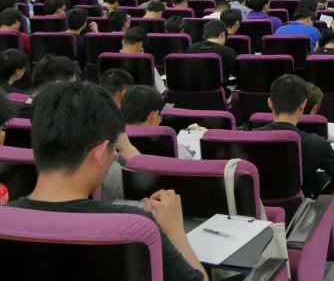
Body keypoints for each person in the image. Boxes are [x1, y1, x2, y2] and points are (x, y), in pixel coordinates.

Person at [8, 81, 206, 280]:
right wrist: (174, 231)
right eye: (115, 149)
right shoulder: (135, 228)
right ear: (100, 152)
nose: (114, 156)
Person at [255, 75, 334, 198]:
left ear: (270, 103)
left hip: (257, 208)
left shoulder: (249, 137)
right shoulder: (316, 144)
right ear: (303, 105)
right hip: (300, 208)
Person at [120, 28, 166, 94]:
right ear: (141, 45)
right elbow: (162, 92)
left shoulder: (110, 60)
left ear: (122, 41)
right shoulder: (146, 62)